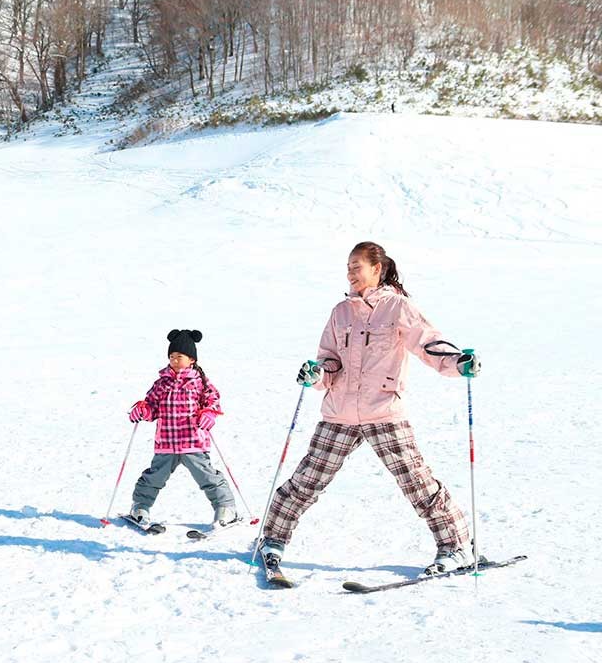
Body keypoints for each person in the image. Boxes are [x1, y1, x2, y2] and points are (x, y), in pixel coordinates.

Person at [258, 241, 481, 577]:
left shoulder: (398, 308)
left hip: (383, 409)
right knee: (307, 480)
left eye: (357, 267)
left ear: (377, 269)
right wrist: (316, 373)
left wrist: (456, 362)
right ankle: (271, 539)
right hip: (340, 412)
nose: (351, 273)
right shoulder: (340, 312)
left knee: (417, 482)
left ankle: (456, 546)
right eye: (348, 267)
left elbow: (428, 343)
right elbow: (328, 358)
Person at [126, 329, 239, 528]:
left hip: (192, 441)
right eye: (171, 357)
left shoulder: (199, 382)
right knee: (154, 477)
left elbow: (213, 401)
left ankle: (225, 507)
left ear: (192, 360)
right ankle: (140, 506)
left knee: (206, 475)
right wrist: (143, 410)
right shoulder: (161, 383)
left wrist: (208, 414)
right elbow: (151, 407)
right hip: (166, 443)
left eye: (179, 357)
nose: (175, 361)